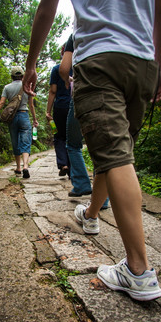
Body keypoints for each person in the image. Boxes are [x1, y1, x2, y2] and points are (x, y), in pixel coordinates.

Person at [22, 0, 161, 301]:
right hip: (142, 63)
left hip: (99, 61)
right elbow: (160, 10)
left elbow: (47, 6)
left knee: (115, 156)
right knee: (117, 154)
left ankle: (138, 271)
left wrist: (31, 63)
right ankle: (90, 215)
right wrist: (160, 67)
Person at [60, 33, 109, 209]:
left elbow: (64, 69)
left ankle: (81, 184)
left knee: (73, 144)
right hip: (113, 90)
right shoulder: (119, 27)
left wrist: (68, 80)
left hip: (83, 91)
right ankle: (102, 198)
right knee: (106, 146)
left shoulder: (78, 32)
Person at [0, 66, 38, 179]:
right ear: (22, 76)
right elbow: (31, 105)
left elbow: (1, 103)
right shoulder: (27, 86)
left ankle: (18, 168)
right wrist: (35, 119)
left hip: (12, 118)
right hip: (24, 114)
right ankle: (26, 166)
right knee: (25, 141)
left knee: (15, 141)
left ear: (12, 76)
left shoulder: (7, 88)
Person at [46, 45, 71, 177]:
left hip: (60, 108)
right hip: (75, 107)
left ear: (62, 52)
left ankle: (64, 164)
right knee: (72, 139)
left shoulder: (56, 69)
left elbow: (53, 91)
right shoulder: (78, 68)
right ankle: (73, 171)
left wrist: (48, 111)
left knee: (58, 136)